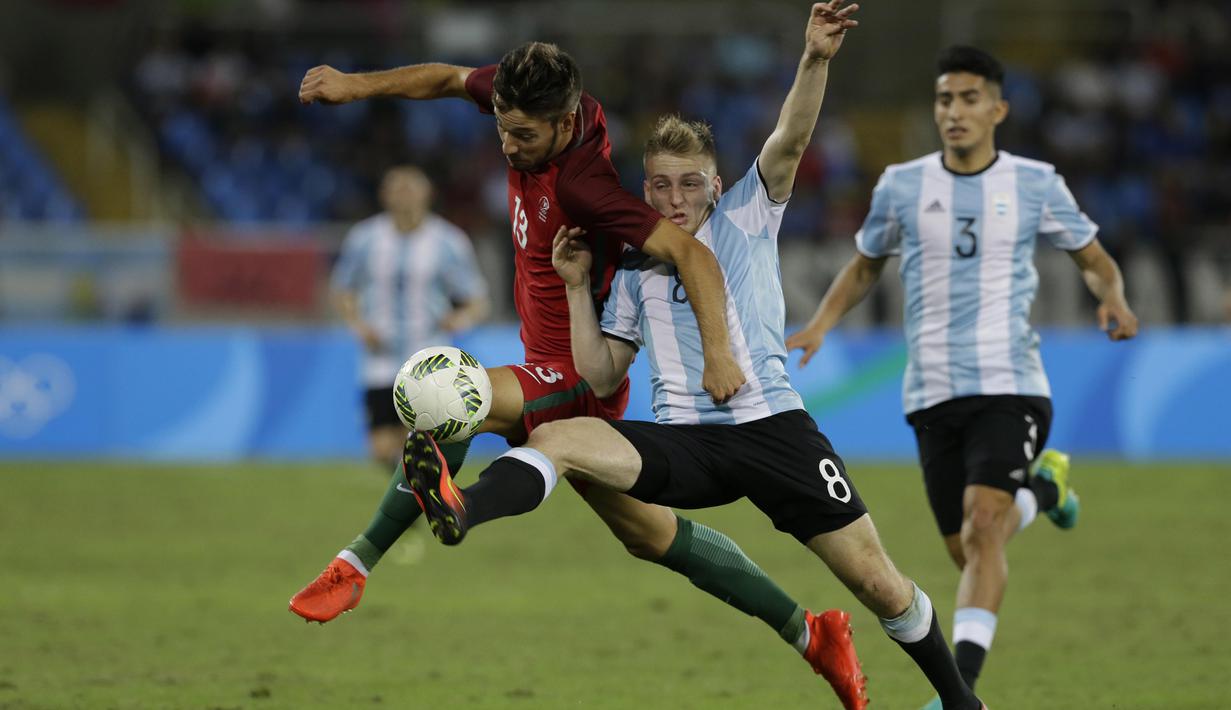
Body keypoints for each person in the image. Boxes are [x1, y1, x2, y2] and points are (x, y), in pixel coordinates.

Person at [402, 6, 986, 709]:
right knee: (556, 438)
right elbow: (601, 375)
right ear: (643, 189)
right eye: (658, 185)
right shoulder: (629, 267)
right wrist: (579, 288)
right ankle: (462, 508)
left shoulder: (748, 212)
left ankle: (961, 703)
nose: (673, 198)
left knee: (876, 583)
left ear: (713, 184)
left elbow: (791, 138)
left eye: (688, 183)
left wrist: (815, 59)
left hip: (775, 434)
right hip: (686, 447)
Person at [289, 10, 838, 690]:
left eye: (522, 135)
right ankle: (811, 633)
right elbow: (445, 77)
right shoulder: (527, 101)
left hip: (575, 377)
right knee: (650, 537)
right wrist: (355, 85)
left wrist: (719, 354)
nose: (507, 145)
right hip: (538, 359)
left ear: (562, 120)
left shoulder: (586, 187)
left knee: (442, 392)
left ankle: (358, 562)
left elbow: (693, 256)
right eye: (500, 127)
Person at [785, 46, 1139, 708]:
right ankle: (1042, 490)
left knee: (982, 529)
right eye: (945, 99)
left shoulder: (1035, 182)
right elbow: (865, 264)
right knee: (967, 548)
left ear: (997, 109)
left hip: (1010, 381)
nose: (954, 111)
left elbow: (1091, 258)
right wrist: (822, 322)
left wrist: (1111, 296)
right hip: (929, 392)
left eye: (969, 98)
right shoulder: (902, 183)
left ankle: (961, 693)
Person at [332, 165, 489, 467]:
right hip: (379, 355)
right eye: (397, 188)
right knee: (380, 449)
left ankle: (416, 502)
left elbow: (477, 299)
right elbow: (343, 288)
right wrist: (358, 324)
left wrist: (459, 319)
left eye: (411, 188)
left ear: (428, 194)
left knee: (418, 442)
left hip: (428, 355)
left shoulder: (448, 241)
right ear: (384, 195)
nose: (404, 195)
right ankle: (417, 497)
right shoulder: (365, 238)